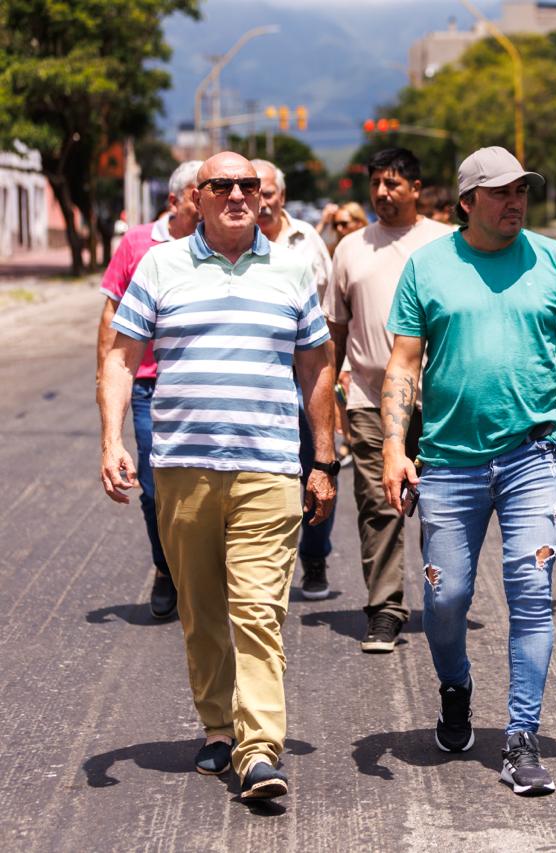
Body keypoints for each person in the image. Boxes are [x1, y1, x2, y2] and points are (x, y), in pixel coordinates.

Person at [98, 151, 337, 800]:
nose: (237, 194)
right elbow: (121, 358)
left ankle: (260, 750)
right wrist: (112, 437)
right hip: (183, 471)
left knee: (258, 610)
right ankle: (216, 728)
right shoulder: (160, 265)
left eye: (248, 185)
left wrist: (324, 457)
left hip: (267, 468)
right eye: (222, 185)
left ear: (263, 197)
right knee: (202, 612)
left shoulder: (290, 268)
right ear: (195, 197)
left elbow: (317, 366)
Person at [381, 145, 556, 796]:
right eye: (501, 192)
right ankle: (455, 687)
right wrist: (396, 448)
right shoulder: (428, 266)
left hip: (536, 452)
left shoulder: (555, 261)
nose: (515, 203)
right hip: (448, 460)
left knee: (532, 593)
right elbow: (402, 364)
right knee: (445, 598)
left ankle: (521, 736)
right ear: (467, 202)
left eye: (522, 192)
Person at [322, 148, 453, 652]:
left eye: (393, 183)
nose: (381, 192)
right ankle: (385, 610)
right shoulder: (351, 249)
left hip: (441, 401)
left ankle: (445, 600)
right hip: (369, 398)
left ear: (416, 189)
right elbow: (335, 332)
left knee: (442, 505)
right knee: (380, 504)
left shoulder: (446, 244)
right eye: (376, 183)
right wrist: (332, 395)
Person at [95, 159, 202, 620]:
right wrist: (104, 380)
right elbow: (111, 313)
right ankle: (166, 569)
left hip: (200, 383)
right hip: (148, 383)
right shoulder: (139, 242)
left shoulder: (222, 244)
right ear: (177, 200)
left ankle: (205, 575)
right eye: (203, 191)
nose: (214, 199)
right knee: (156, 487)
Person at [253, 158, 338, 600]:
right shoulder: (231, 244)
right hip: (257, 374)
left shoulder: (307, 243)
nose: (261, 202)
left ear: (280, 196)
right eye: (254, 192)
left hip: (305, 370)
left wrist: (332, 384)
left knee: (318, 462)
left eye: (268, 193)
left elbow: (329, 320)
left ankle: (315, 554)